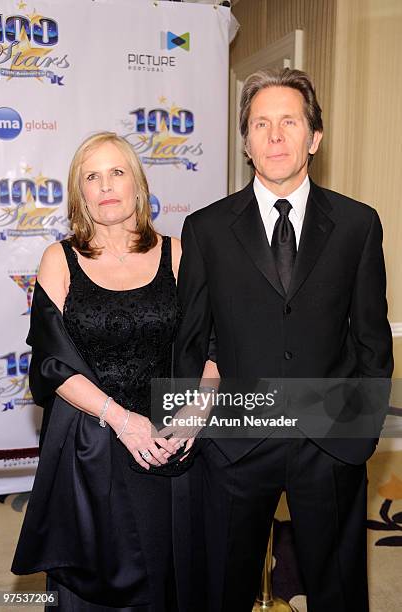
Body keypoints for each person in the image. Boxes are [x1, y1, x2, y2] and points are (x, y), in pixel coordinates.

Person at [174, 69, 393, 611]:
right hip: (235, 442)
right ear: (246, 143)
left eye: (288, 122)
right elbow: (190, 340)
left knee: (338, 591)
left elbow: (371, 338)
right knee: (221, 589)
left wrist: (359, 433)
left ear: (314, 138)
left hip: (331, 440)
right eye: (260, 124)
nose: (274, 135)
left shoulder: (358, 225)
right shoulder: (205, 230)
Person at [11, 132, 212, 611]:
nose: (106, 186)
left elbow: (212, 345)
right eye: (92, 177)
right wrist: (122, 421)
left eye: (117, 172)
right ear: (79, 194)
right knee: (96, 588)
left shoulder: (180, 254)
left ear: (138, 184)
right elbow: (52, 361)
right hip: (90, 442)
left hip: (171, 443)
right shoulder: (59, 259)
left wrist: (196, 412)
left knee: (172, 577)